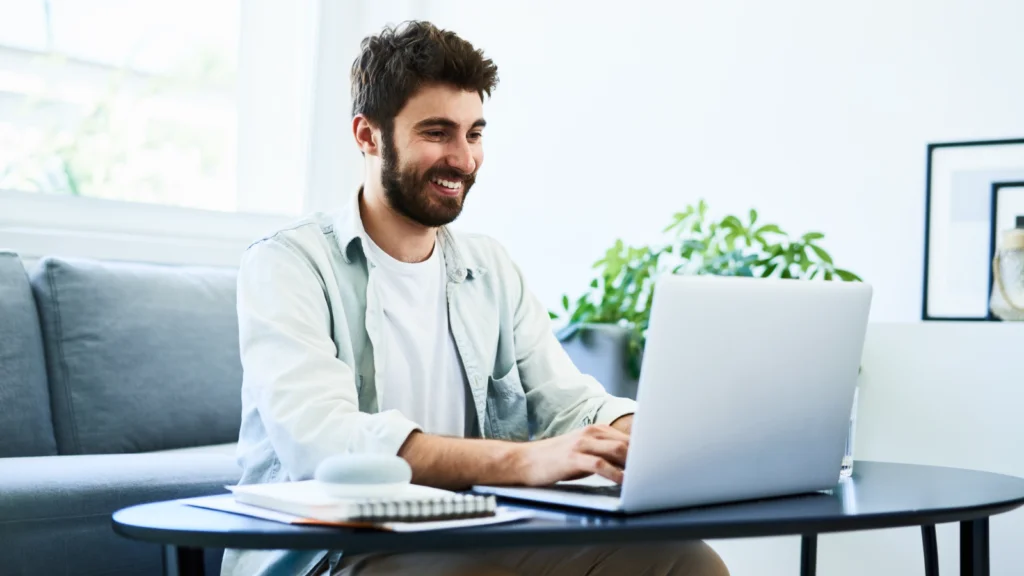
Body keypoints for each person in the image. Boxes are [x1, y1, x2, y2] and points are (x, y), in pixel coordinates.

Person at [221, 20, 730, 576]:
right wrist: (525, 461)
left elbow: (570, 404)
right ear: (368, 136)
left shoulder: (489, 268)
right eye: (437, 133)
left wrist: (658, 441)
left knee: (685, 561)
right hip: (337, 551)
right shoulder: (288, 264)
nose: (464, 160)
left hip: (474, 532)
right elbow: (327, 444)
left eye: (474, 133)